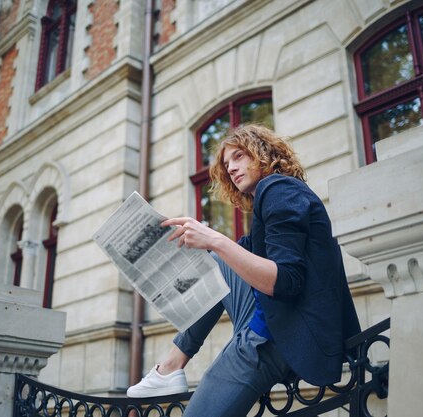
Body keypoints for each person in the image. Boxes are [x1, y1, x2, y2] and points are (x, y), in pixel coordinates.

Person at [127, 124, 361, 417]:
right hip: (271, 321)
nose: (233, 168)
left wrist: (214, 239)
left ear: (262, 153)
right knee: (215, 260)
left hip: (276, 337)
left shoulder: (278, 189)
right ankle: (169, 370)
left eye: (239, 156)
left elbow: (287, 281)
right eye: (227, 165)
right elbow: (232, 260)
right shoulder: (270, 198)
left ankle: (172, 369)